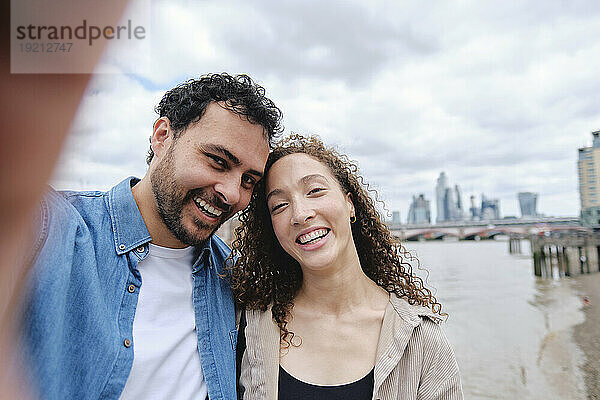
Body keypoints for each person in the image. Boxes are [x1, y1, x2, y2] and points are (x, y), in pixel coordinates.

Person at [19, 73, 283, 400]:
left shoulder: (232, 276)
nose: (231, 194)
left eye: (248, 181)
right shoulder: (51, 230)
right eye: (217, 161)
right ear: (162, 137)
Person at [230, 135, 463, 400]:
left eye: (315, 191)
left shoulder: (421, 340)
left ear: (349, 203)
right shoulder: (249, 325)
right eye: (280, 205)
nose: (300, 214)